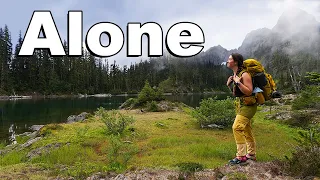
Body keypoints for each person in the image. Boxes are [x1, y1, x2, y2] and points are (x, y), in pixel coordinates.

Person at [226, 53, 257, 165]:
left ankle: (241, 156)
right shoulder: (236, 74)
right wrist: (230, 85)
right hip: (242, 105)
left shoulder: (244, 74)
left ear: (235, 62)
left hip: (249, 106)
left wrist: (238, 82)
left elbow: (249, 91)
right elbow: (239, 93)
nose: (227, 61)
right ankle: (251, 154)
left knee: (237, 127)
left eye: (230, 59)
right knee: (247, 129)